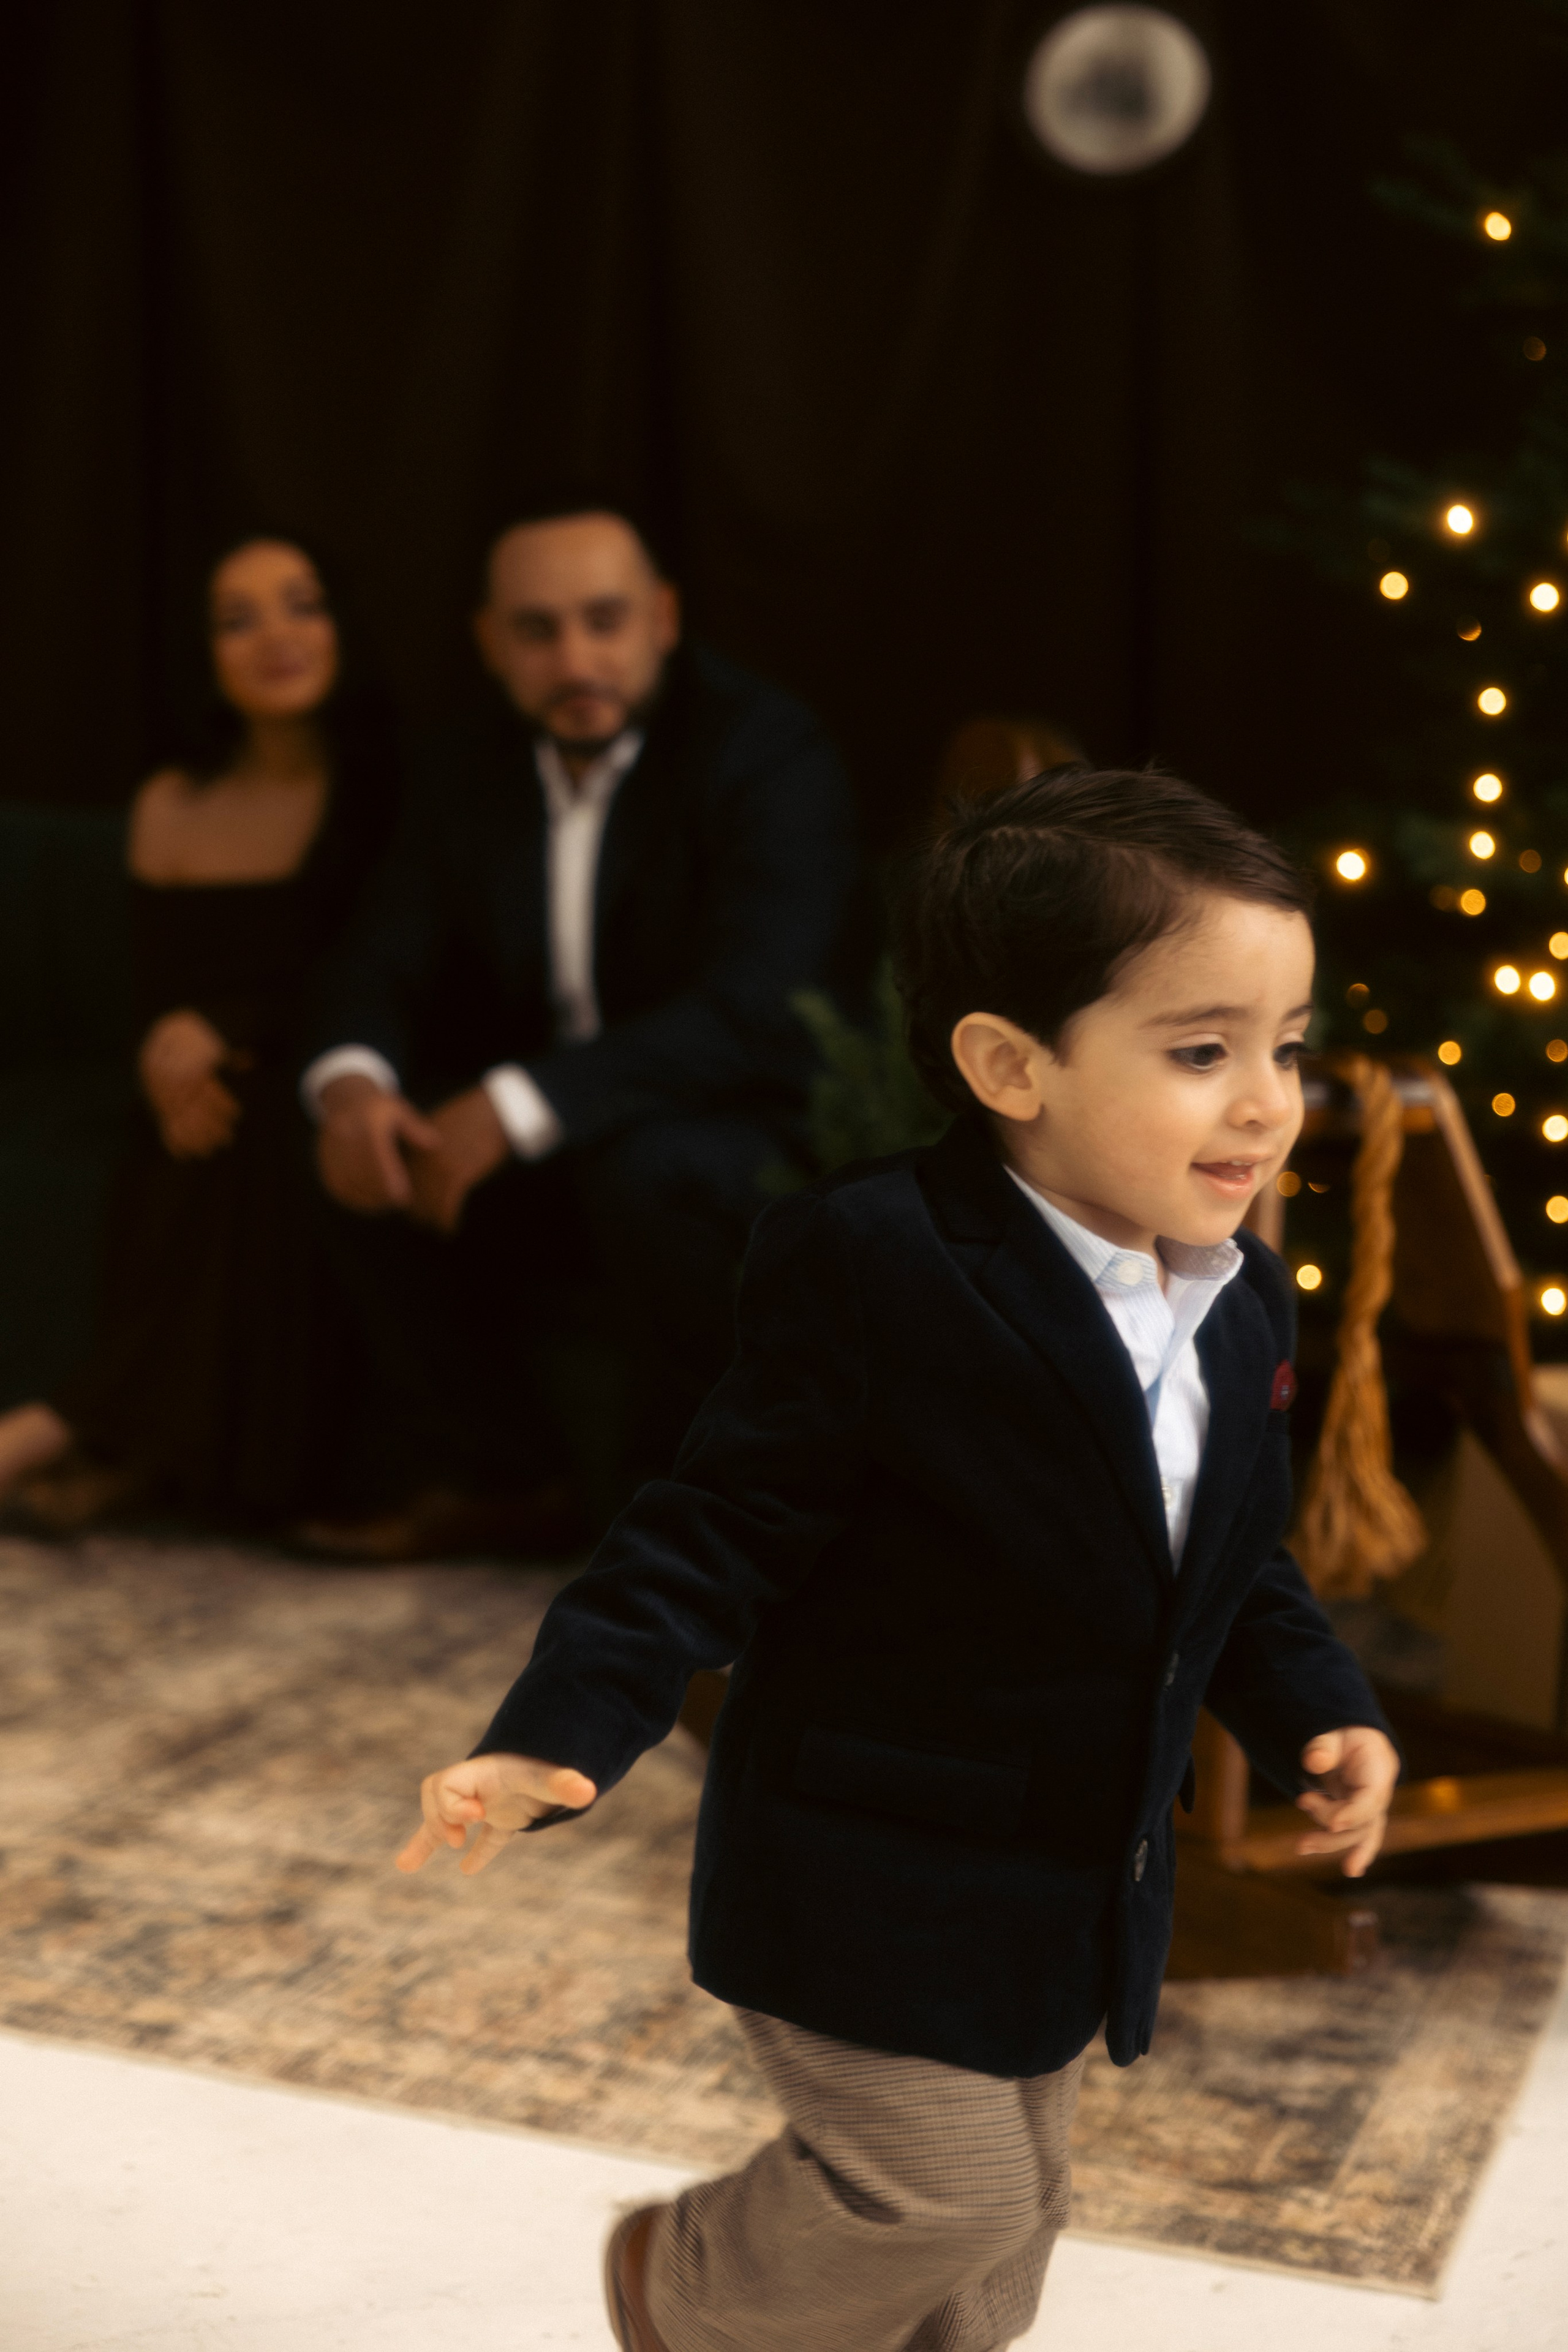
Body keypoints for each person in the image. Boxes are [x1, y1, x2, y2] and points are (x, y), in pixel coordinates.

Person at [395, 767, 1401, 2352]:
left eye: (1285, 1047)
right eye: (1202, 1054)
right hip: (866, 1875)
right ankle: (688, 2286)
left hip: (1070, 1889)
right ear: (1011, 1066)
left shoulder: (1243, 1305)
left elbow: (1230, 1560)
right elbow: (701, 1533)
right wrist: (556, 1734)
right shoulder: (878, 1267)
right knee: (943, 2197)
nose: (1268, 1101)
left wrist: (1317, 1709)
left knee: (1011, 2246)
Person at [298, 498, 859, 1558]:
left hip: (748, 1121)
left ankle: (691, 1516)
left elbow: (764, 1007)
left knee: (647, 1166)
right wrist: (352, 1087)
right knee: (365, 1149)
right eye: (538, 630)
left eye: (605, 621)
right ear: (489, 642)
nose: (576, 658)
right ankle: (505, 1476)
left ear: (663, 618)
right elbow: (378, 955)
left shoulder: (764, 748)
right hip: (574, 1128)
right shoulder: (466, 767)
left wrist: (519, 1106)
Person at [0, 536, 396, 1531]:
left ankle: (60, 1428)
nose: (277, 635)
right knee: (188, 1135)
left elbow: (372, 977)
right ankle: (136, 1453)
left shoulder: (388, 795)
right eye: (238, 617)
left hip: (310, 1079)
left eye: (301, 603)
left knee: (261, 1124)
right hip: (198, 1101)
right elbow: (159, 998)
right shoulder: (170, 806)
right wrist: (165, 1059)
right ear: (205, 654)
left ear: (342, 626)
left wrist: (228, 1032)